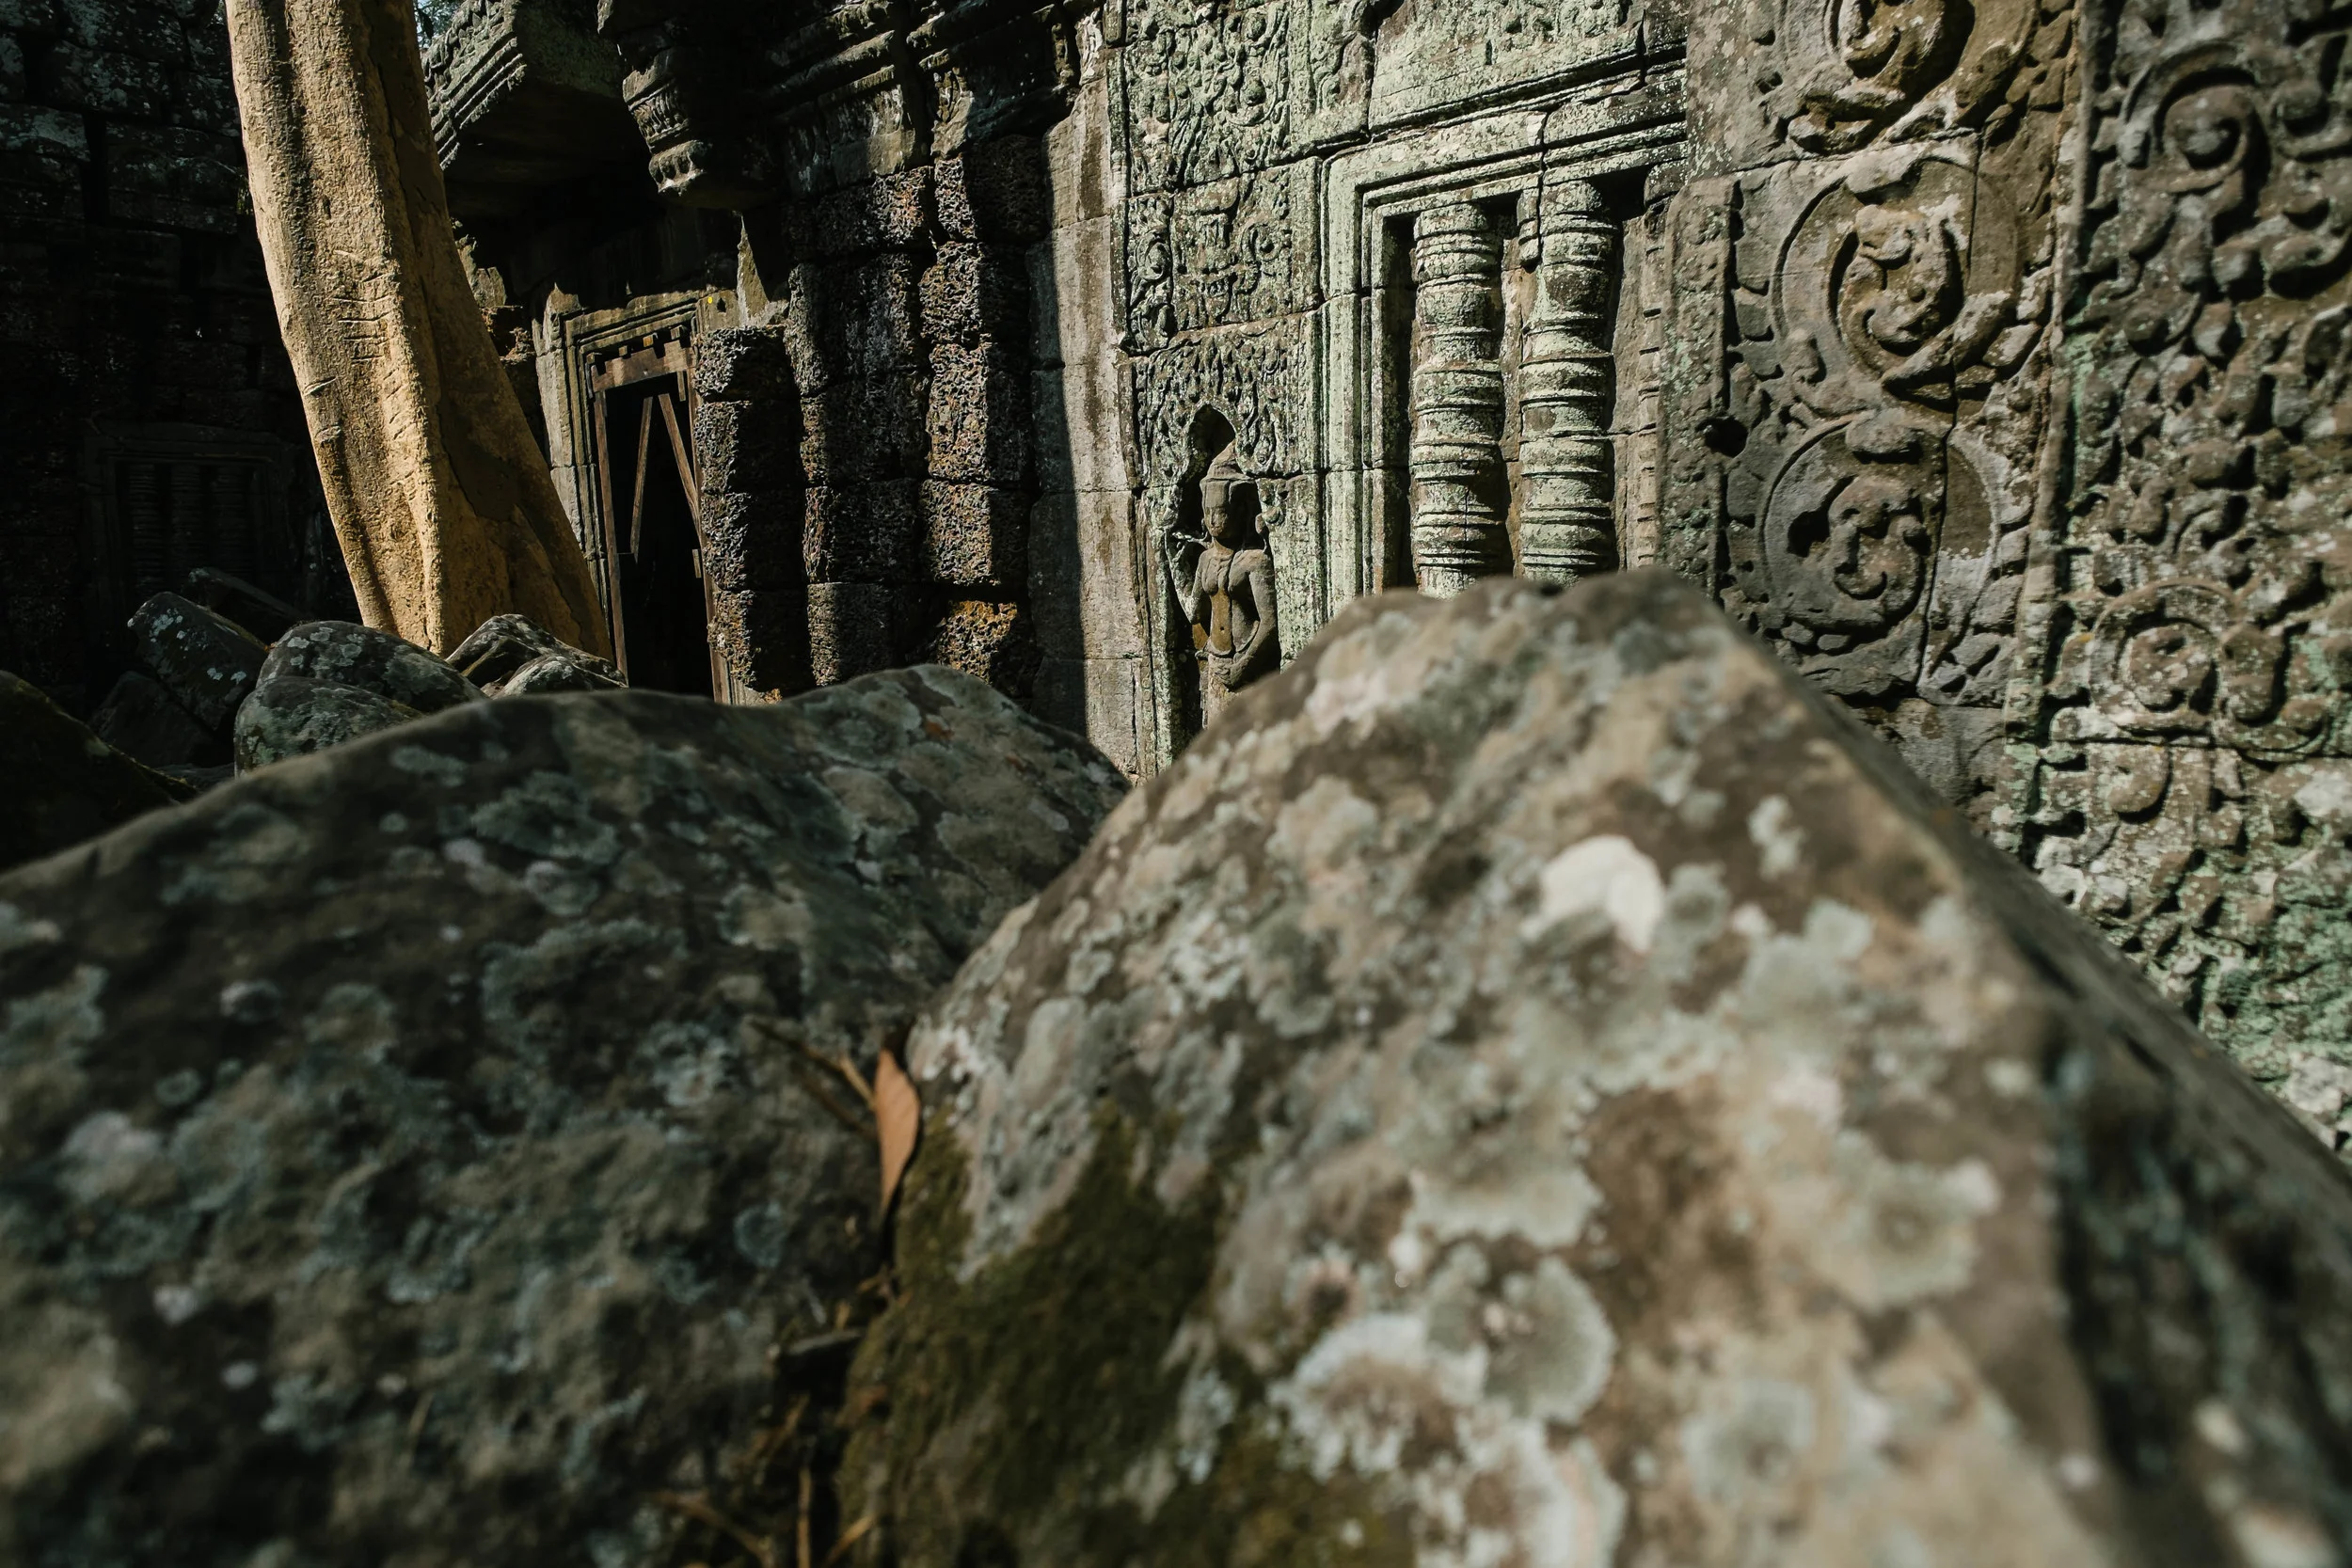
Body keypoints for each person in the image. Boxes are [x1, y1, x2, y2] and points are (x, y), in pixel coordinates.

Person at [1165, 442, 1279, 718]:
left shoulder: (1254, 561)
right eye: (1208, 512)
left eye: (1222, 512)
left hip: (1248, 661)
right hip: (1216, 660)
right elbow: (1195, 612)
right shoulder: (1205, 560)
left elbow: (1270, 622)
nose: (1214, 520)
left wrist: (1244, 664)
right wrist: (1176, 563)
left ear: (1241, 510)